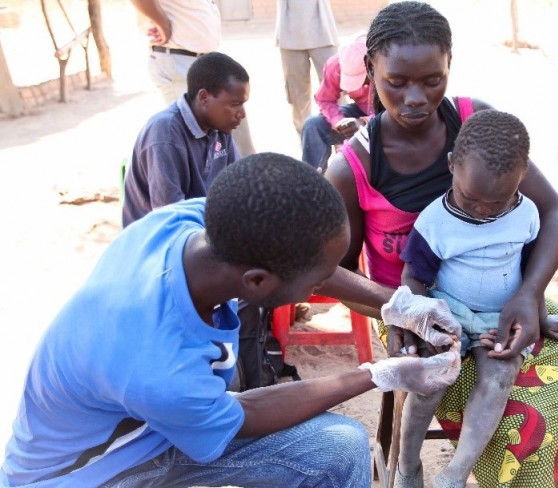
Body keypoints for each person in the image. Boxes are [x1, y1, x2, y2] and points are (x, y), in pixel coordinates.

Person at [324, 2, 558, 486]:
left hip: (508, 296)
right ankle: (416, 466)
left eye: (432, 80)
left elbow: (551, 212)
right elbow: (335, 272)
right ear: (370, 68)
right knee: (525, 420)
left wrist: (530, 294)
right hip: (407, 310)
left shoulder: (480, 125)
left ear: (450, 64)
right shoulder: (352, 167)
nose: (415, 97)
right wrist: (403, 314)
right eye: (397, 81)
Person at [1, 153, 462, 487]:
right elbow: (248, 413)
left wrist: (398, 303)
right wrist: (379, 374)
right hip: (91, 473)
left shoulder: (185, 225)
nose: (326, 285)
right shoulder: (155, 363)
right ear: (258, 283)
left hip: (153, 428)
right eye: (318, 278)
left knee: (336, 449)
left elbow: (295, 255)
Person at [396, 110, 558, 487]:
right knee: (431, 376)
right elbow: (414, 277)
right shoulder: (435, 221)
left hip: (501, 314)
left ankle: (455, 475)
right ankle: (408, 465)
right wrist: (425, 320)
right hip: (447, 310)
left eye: (497, 202)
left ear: (522, 177)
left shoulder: (527, 213)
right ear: (452, 167)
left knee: (499, 377)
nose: (483, 209)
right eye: (471, 197)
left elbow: (531, 278)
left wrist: (541, 319)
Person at [122, 52, 246, 227]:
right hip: (161, 238)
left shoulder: (220, 127)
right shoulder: (164, 134)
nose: (242, 113)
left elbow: (238, 187)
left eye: (243, 103)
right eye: (235, 104)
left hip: (201, 226)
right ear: (204, 97)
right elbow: (171, 217)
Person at [130, 0, 255, 157]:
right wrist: (160, 21)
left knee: (231, 137)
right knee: (199, 144)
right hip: (178, 58)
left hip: (204, 60)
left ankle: (246, 179)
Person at [301, 34, 372, 172]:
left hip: (386, 119)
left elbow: (395, 113)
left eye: (361, 79)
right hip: (362, 111)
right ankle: (311, 182)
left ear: (371, 66)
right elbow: (325, 99)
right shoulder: (335, 66)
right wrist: (338, 121)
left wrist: (364, 122)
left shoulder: (389, 67)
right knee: (313, 125)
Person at [275, 0, 339, 137]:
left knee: (335, 86)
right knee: (297, 95)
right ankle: (305, 139)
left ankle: (341, 141)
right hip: (289, 32)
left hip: (323, 29)